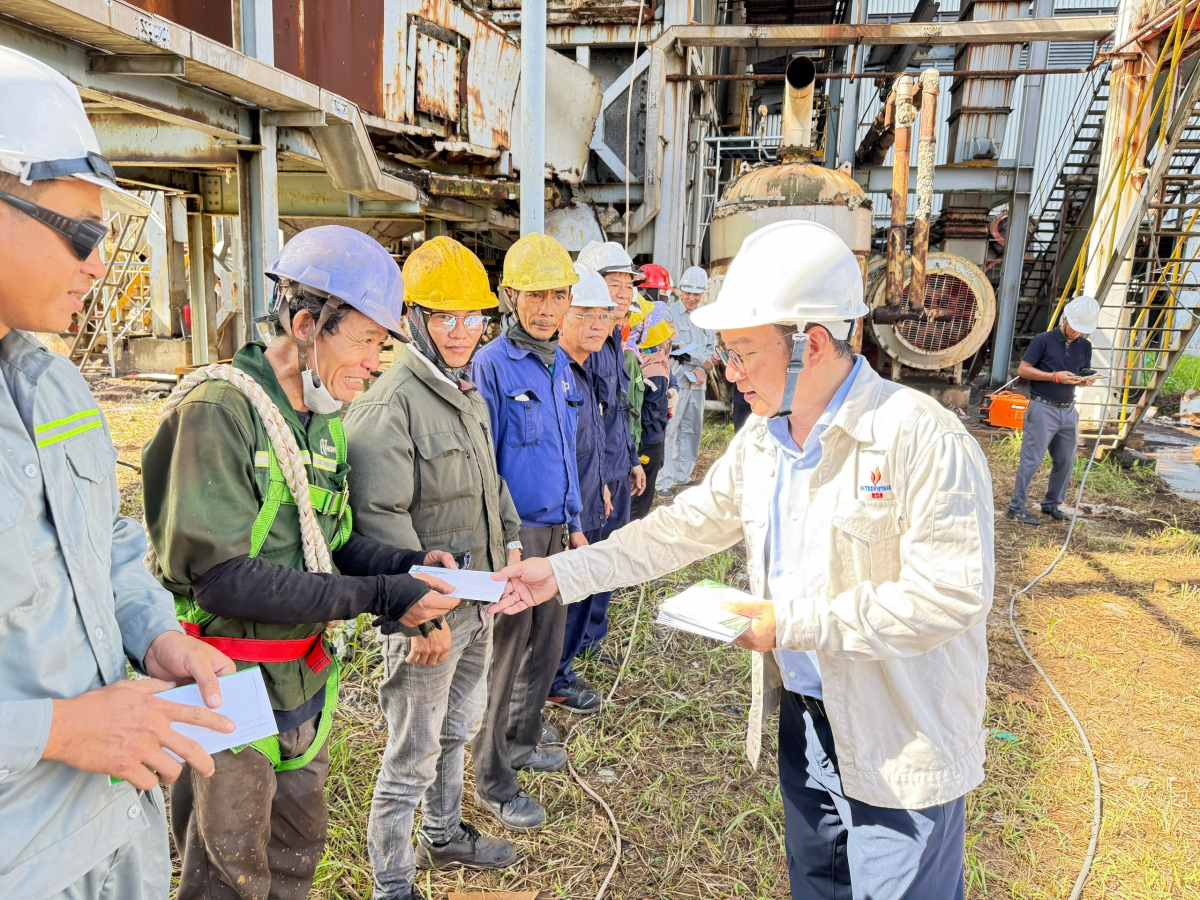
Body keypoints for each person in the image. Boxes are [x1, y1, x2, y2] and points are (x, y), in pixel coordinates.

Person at [493, 220, 994, 900]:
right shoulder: (765, 437)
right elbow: (681, 528)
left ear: (811, 345)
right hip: (807, 724)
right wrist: (559, 574)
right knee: (818, 885)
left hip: (899, 734)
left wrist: (790, 623)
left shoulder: (919, 439)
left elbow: (949, 595)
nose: (728, 372)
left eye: (743, 352)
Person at [142, 225, 461, 900]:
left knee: (295, 850)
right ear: (307, 324)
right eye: (367, 341)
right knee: (228, 870)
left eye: (381, 345)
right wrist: (382, 596)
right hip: (226, 682)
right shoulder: (220, 411)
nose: (374, 362)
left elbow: (329, 542)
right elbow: (224, 579)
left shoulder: (321, 417)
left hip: (300, 682)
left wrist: (408, 565)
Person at [0, 46, 240, 900]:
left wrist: (154, 634)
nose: (100, 264)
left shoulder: (52, 385)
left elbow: (98, 541)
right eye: (81, 233)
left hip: (109, 822)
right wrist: (55, 730)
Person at [342, 237, 522, 899]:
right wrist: (418, 621)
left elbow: (490, 481)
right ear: (413, 319)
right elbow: (377, 522)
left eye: (473, 317)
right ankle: (393, 884)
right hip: (428, 619)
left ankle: (443, 836)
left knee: (456, 731)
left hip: (476, 604)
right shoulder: (388, 406)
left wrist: (512, 545)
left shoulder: (465, 393)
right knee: (411, 757)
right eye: (444, 317)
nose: (460, 331)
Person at [470, 232, 584, 831]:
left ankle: (521, 741)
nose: (546, 308)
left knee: (546, 647)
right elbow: (485, 464)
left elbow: (566, 452)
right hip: (517, 539)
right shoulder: (491, 365)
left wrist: (576, 522)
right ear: (510, 296)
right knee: (506, 657)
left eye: (557, 295)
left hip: (557, 532)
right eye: (535, 295)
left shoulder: (561, 363)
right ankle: (492, 778)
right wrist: (506, 541)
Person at [550, 241, 647, 713]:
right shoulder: (562, 360)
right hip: (579, 490)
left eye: (627, 286)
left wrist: (626, 463)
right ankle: (557, 673)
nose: (622, 295)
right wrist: (596, 484)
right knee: (574, 577)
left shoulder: (607, 344)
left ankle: (583, 646)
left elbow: (614, 414)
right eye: (613, 285)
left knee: (601, 566)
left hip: (604, 474)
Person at [551, 264, 618, 711]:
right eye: (586, 314)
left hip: (589, 497)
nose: (597, 325)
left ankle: (562, 671)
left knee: (582, 589)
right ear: (561, 318)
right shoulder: (554, 372)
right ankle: (553, 680)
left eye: (604, 316)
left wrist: (601, 485)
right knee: (563, 598)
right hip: (563, 512)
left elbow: (590, 439)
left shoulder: (584, 369)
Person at [1006, 294, 1099, 526]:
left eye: (1082, 330)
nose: (1077, 333)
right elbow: (1023, 370)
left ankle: (1051, 505)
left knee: (1065, 461)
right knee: (1032, 459)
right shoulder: (1044, 340)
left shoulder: (1085, 346)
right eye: (1075, 328)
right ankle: (1017, 507)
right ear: (1065, 318)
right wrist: (1054, 377)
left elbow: (1080, 373)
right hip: (1042, 407)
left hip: (1068, 410)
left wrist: (1083, 381)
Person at [657, 265, 717, 497]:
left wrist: (705, 366)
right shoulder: (669, 314)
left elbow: (711, 347)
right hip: (676, 381)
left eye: (697, 293)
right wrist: (702, 362)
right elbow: (673, 346)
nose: (692, 298)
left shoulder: (706, 318)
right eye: (688, 292)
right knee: (669, 430)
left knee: (692, 429)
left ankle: (682, 475)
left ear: (703, 293)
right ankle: (663, 481)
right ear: (680, 290)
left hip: (697, 384)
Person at [628, 300, 678, 520]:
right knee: (640, 496)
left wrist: (672, 389)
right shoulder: (656, 370)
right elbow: (652, 416)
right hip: (649, 442)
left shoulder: (641, 358)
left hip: (638, 441)